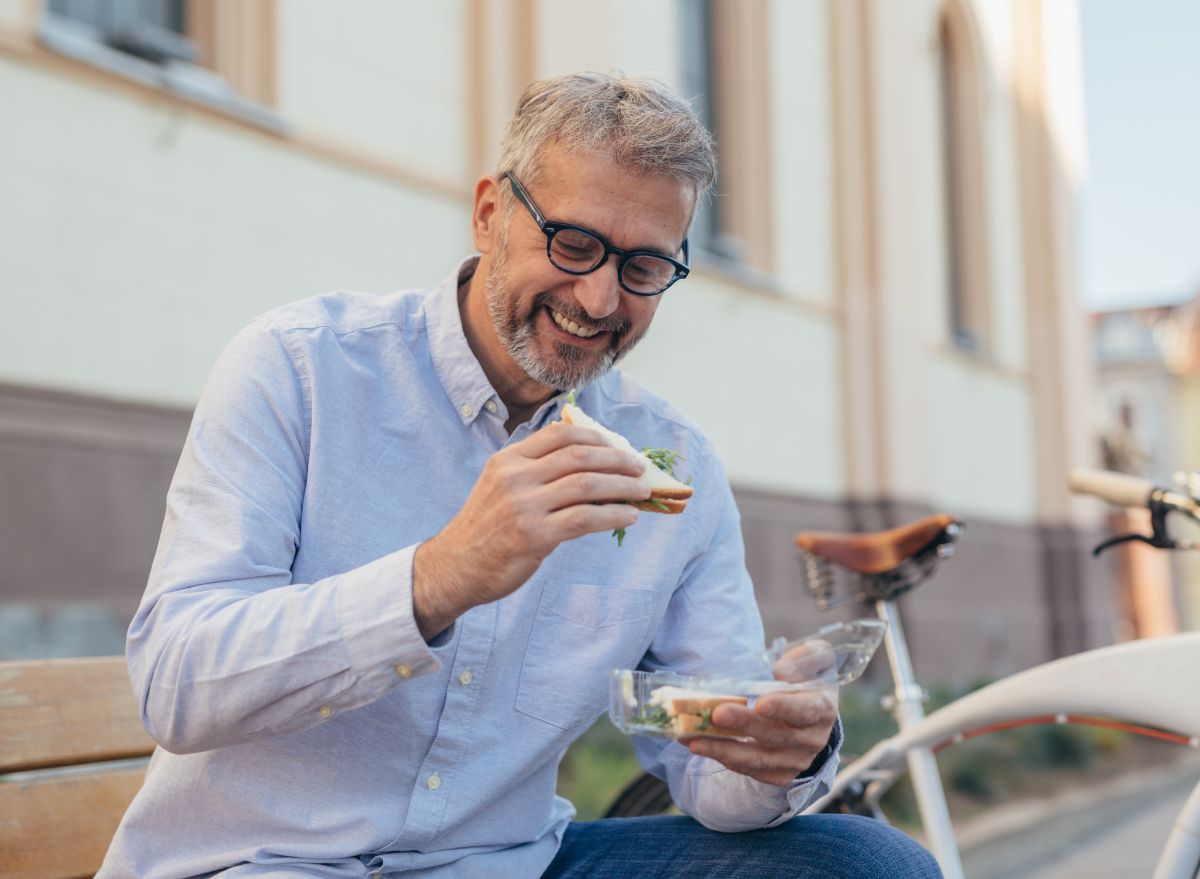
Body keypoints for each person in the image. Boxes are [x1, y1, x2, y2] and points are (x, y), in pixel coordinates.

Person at [98, 73, 941, 879]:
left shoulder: (674, 464)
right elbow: (177, 682)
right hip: (255, 859)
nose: (602, 298)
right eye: (574, 243)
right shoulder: (300, 369)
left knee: (873, 864)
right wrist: (437, 577)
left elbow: (709, 782)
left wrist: (774, 754)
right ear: (490, 213)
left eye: (644, 268)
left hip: (507, 861)